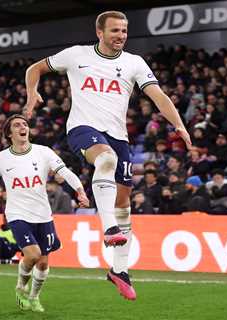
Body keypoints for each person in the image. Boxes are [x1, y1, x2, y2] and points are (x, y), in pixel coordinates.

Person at [24, 10, 192, 300]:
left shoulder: (134, 63)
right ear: (99, 32)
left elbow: (159, 96)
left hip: (118, 136)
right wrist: (31, 94)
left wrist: (178, 124)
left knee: (124, 202)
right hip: (82, 128)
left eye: (124, 31)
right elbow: (34, 69)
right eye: (115, 31)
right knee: (106, 159)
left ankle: (119, 270)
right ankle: (108, 227)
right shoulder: (76, 55)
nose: (121, 36)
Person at [0, 114, 89, 312]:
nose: (22, 127)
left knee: (43, 263)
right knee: (32, 254)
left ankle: (34, 297)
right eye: (17, 125)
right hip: (17, 214)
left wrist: (81, 190)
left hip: (43, 215)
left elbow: (65, 172)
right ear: (9, 133)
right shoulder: (0, 158)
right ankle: (20, 287)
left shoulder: (43, 152)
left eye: (24, 124)